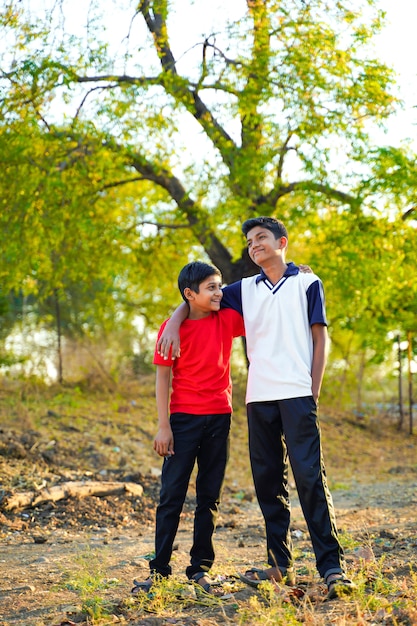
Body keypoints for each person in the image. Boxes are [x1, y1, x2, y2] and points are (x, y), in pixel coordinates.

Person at [157, 217, 355, 600]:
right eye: (249, 241)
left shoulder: (308, 283)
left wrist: (312, 390)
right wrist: (172, 323)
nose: (253, 245)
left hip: (297, 394)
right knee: (268, 483)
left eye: (261, 238)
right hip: (258, 398)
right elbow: (198, 297)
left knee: (310, 478)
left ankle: (331, 566)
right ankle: (279, 565)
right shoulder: (244, 289)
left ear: (282, 241)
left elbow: (320, 337)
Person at [132, 261, 245, 595]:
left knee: (209, 497)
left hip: (219, 418)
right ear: (189, 294)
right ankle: (159, 570)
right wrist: (162, 426)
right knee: (171, 496)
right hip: (182, 421)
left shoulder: (227, 318)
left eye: (219, 286)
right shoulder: (171, 329)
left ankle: (200, 569)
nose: (219, 292)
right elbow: (162, 379)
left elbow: (259, 301)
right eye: (211, 288)